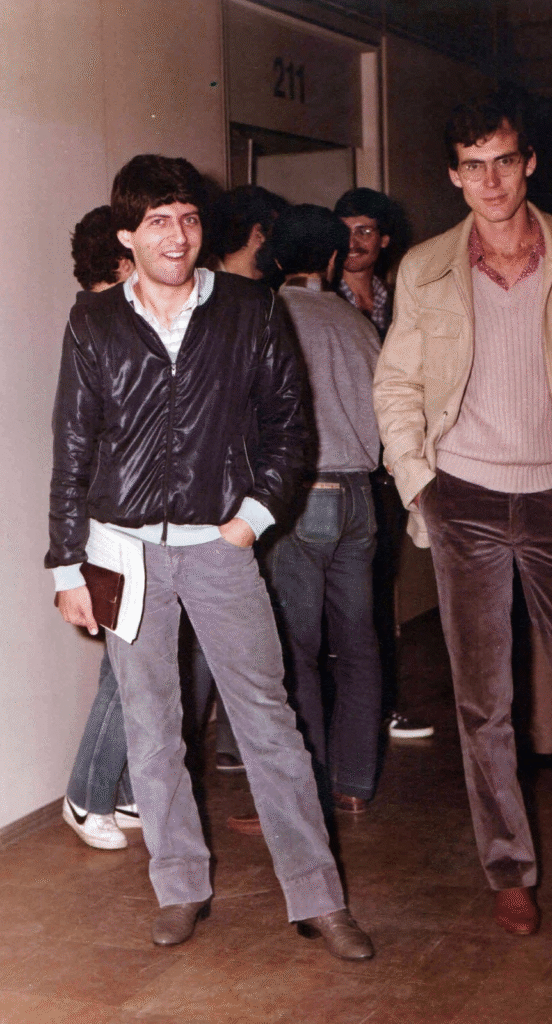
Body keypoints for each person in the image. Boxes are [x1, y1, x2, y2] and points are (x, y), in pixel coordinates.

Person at [46, 154, 373, 960]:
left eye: (188, 218)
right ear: (127, 235)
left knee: (268, 723)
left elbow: (288, 427)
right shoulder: (94, 320)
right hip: (120, 551)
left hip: (220, 550)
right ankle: (179, 886)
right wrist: (66, 567)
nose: (177, 235)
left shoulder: (248, 308)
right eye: (158, 220)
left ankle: (318, 897)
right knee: (153, 727)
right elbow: (73, 446)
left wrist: (249, 520)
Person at [373, 87, 552, 938]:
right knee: (482, 701)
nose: (490, 182)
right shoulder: (423, 267)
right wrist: (419, 484)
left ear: (527, 162)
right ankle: (508, 869)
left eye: (503, 161)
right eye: (473, 166)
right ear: (453, 176)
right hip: (462, 499)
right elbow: (395, 386)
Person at [268, 204, 383, 814]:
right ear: (334, 259)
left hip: (301, 496)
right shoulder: (359, 323)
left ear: (276, 258)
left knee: (297, 651)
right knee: (358, 645)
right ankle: (354, 786)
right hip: (362, 495)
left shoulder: (269, 317)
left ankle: (306, 794)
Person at [334, 187, 434, 740]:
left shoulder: (401, 301)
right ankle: (348, 716)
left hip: (391, 467)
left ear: (385, 239)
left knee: (379, 588)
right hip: (341, 466)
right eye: (345, 231)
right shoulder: (320, 298)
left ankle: (384, 705)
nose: (355, 243)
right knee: (344, 598)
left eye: (366, 231)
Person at [205, 183, 289, 772]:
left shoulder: (242, 302)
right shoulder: (247, 305)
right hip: (231, 506)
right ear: (257, 235)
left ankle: (233, 746)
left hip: (242, 507)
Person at [62, 206, 139, 851]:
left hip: (129, 519)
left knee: (145, 658)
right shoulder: (96, 324)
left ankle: (128, 789)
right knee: (126, 662)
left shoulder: (106, 318)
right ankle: (88, 796)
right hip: (108, 523)